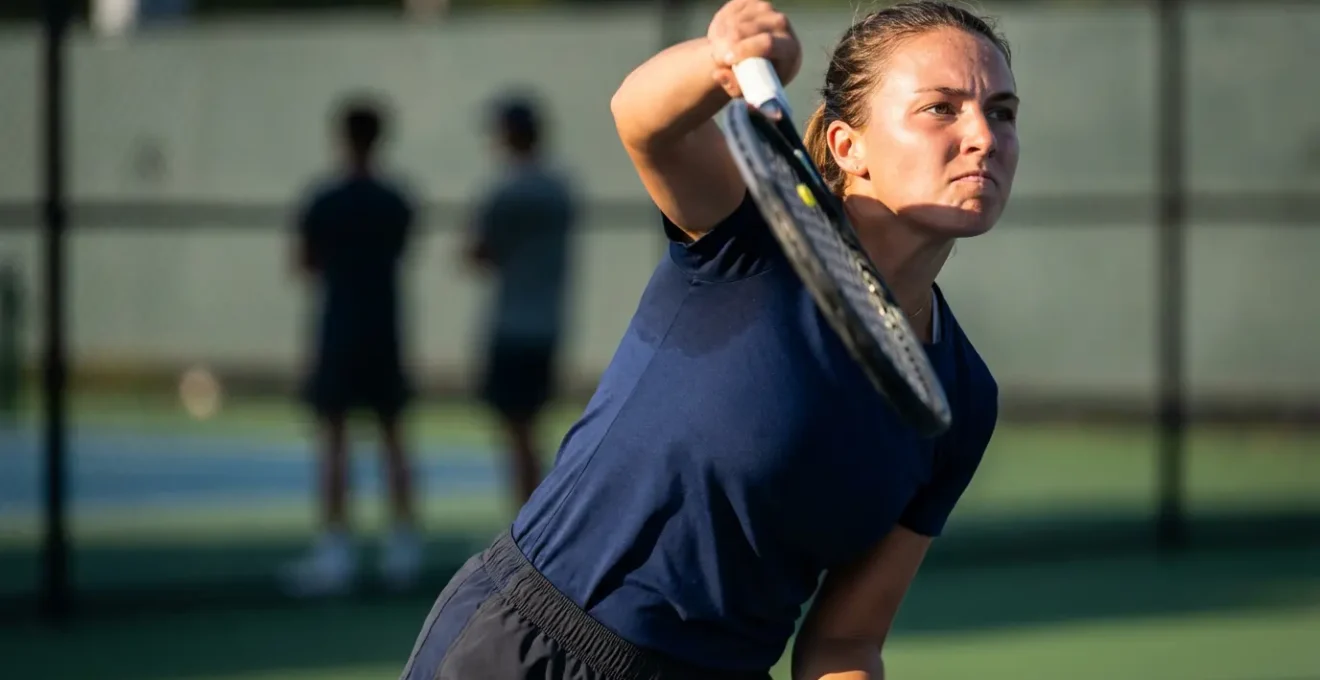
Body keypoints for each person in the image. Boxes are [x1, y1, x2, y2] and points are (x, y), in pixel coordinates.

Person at [400, 0, 1015, 677]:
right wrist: (720, 58)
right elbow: (643, 119)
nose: (984, 135)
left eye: (1003, 111)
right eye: (942, 108)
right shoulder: (752, 235)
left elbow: (845, 643)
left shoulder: (961, 399)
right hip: (532, 651)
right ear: (848, 147)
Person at [285, 96, 421, 597]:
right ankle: (403, 548)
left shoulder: (325, 199)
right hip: (384, 329)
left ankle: (336, 553)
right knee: (393, 437)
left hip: (340, 330)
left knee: (335, 440)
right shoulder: (396, 200)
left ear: (343, 138)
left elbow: (303, 263)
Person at [464, 93, 577, 507]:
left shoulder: (505, 192)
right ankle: (534, 515)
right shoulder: (559, 189)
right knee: (532, 428)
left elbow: (477, 254)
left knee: (517, 432)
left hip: (512, 325)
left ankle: (528, 519)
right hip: (547, 322)